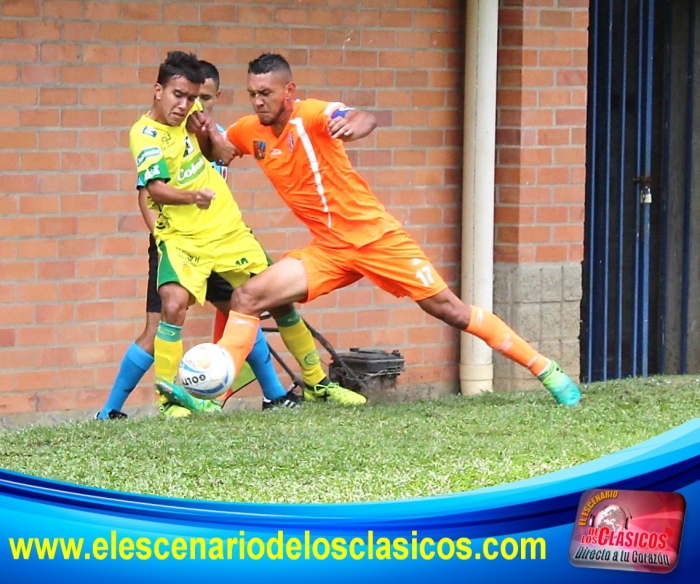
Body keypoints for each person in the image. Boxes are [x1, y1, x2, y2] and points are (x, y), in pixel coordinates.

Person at [204, 53, 580, 407]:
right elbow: (220, 152)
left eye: (265, 93)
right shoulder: (249, 130)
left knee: (449, 309)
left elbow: (362, 117)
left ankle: (544, 369)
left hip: (376, 239)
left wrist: (355, 125)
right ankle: (211, 401)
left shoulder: (314, 115)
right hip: (330, 249)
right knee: (247, 298)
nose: (257, 101)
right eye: (252, 94)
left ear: (289, 90)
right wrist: (201, 129)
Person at [108, 52, 364, 421]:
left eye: (193, 98)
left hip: (229, 233)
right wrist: (191, 199)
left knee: (277, 301)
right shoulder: (146, 134)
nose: (184, 105)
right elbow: (155, 191)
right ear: (158, 90)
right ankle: (168, 404)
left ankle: (316, 385)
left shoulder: (192, 122)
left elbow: (225, 154)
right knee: (172, 308)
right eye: (178, 95)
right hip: (183, 240)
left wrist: (207, 130)